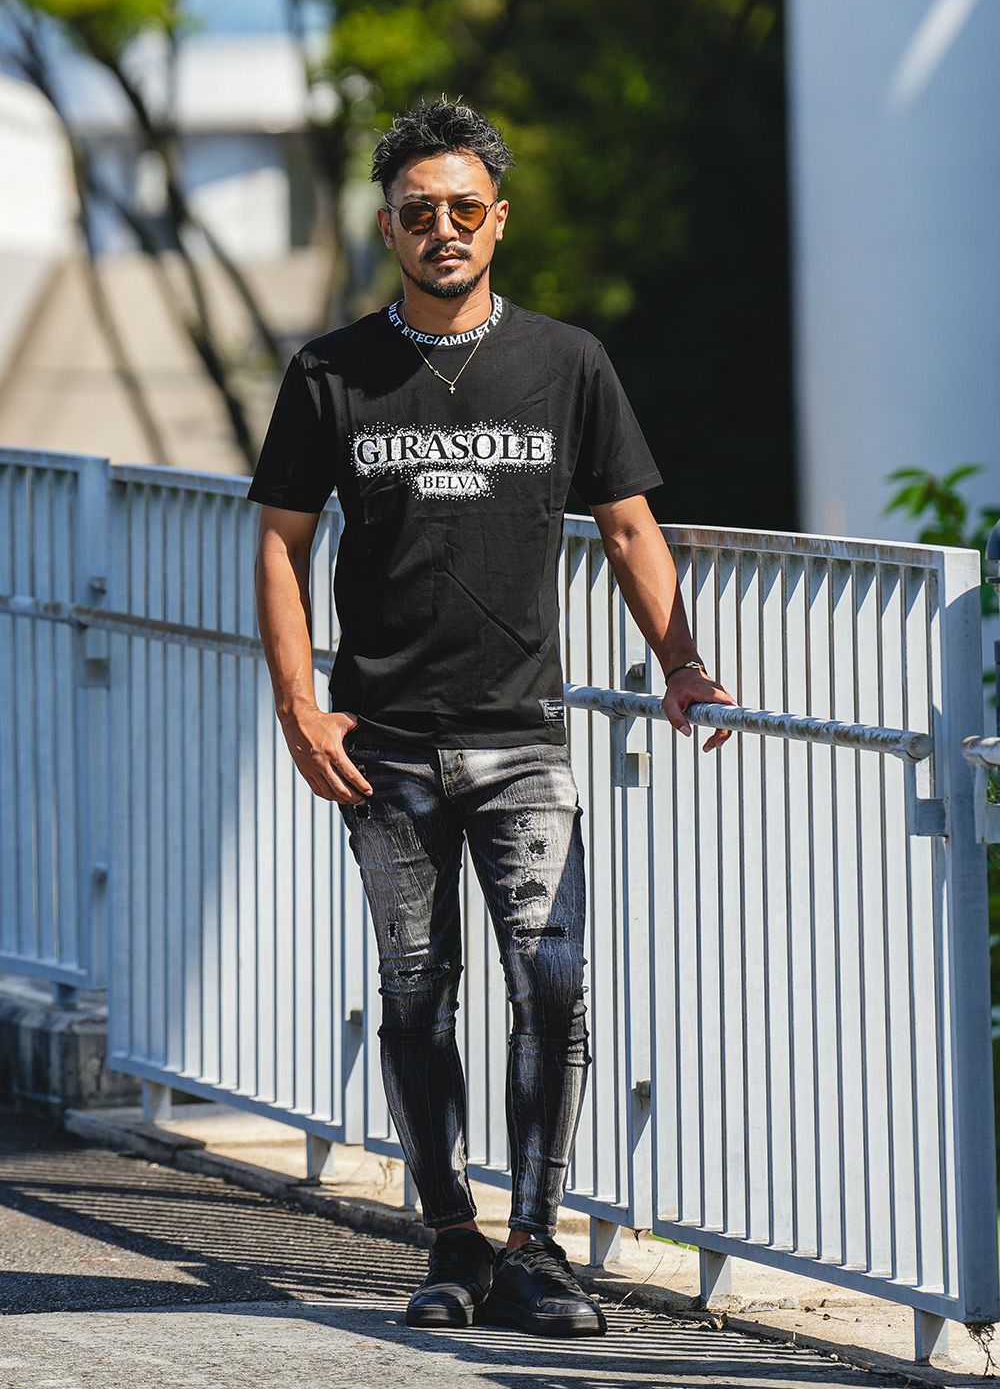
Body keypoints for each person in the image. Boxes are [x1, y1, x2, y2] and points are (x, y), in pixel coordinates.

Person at [247, 97, 736, 1339]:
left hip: (524, 734)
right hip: (384, 742)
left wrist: (682, 662)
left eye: (466, 208)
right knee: (416, 993)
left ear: (499, 220)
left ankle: (536, 1246)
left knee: (552, 986)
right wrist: (301, 706)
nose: (445, 229)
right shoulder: (330, 373)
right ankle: (450, 1238)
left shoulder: (565, 361)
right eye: (420, 212)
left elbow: (628, 525)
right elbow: (280, 541)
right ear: (387, 228)